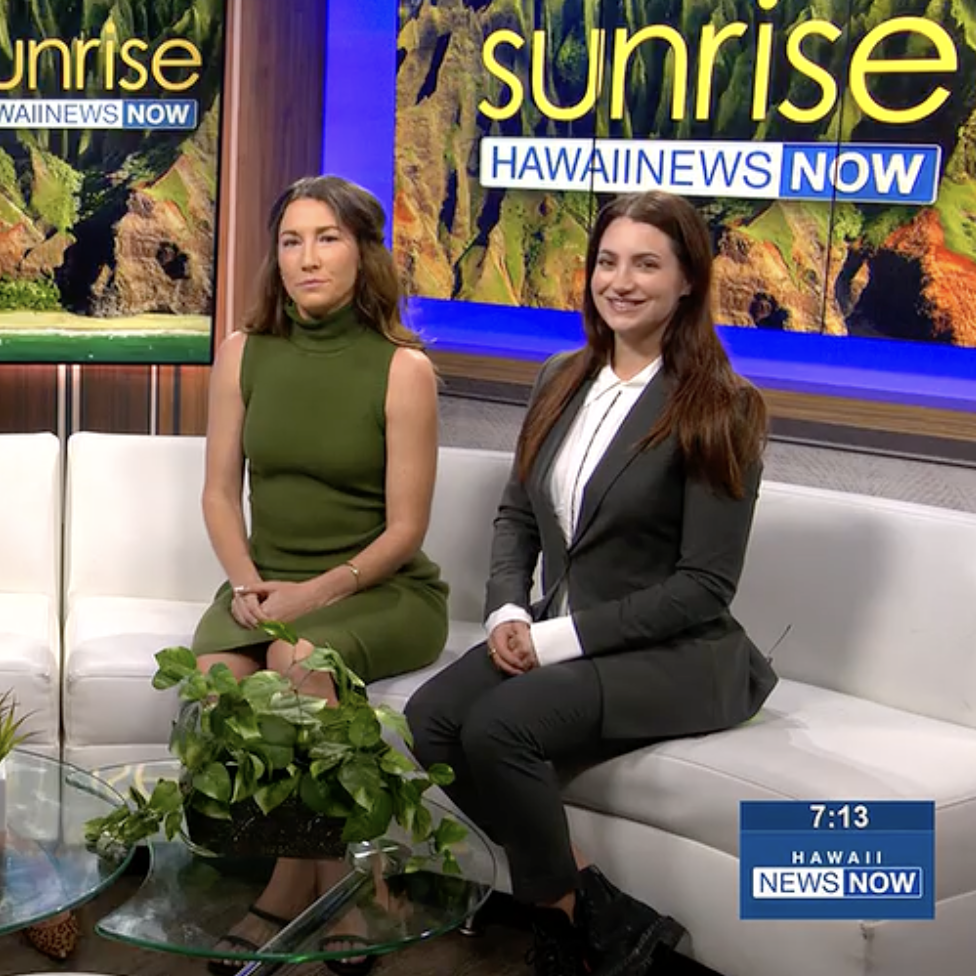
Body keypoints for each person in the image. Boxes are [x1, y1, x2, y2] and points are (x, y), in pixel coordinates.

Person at [403, 189, 776, 976]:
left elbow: (704, 588)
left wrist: (550, 641)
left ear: (687, 282)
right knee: (432, 718)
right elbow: (517, 516)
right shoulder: (560, 378)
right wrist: (508, 608)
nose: (622, 281)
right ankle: (592, 905)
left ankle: (564, 929)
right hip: (556, 627)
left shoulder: (722, 406)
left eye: (648, 263)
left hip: (677, 653)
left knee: (499, 727)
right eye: (608, 261)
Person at [193, 175, 449, 975]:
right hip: (265, 583)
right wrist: (245, 584)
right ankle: (327, 881)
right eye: (292, 241)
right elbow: (217, 493)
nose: (308, 258)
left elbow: (406, 532)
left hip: (378, 588)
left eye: (328, 238)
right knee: (211, 674)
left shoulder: (403, 369)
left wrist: (311, 597)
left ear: (364, 252)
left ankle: (296, 887)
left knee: (295, 663)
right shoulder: (243, 353)